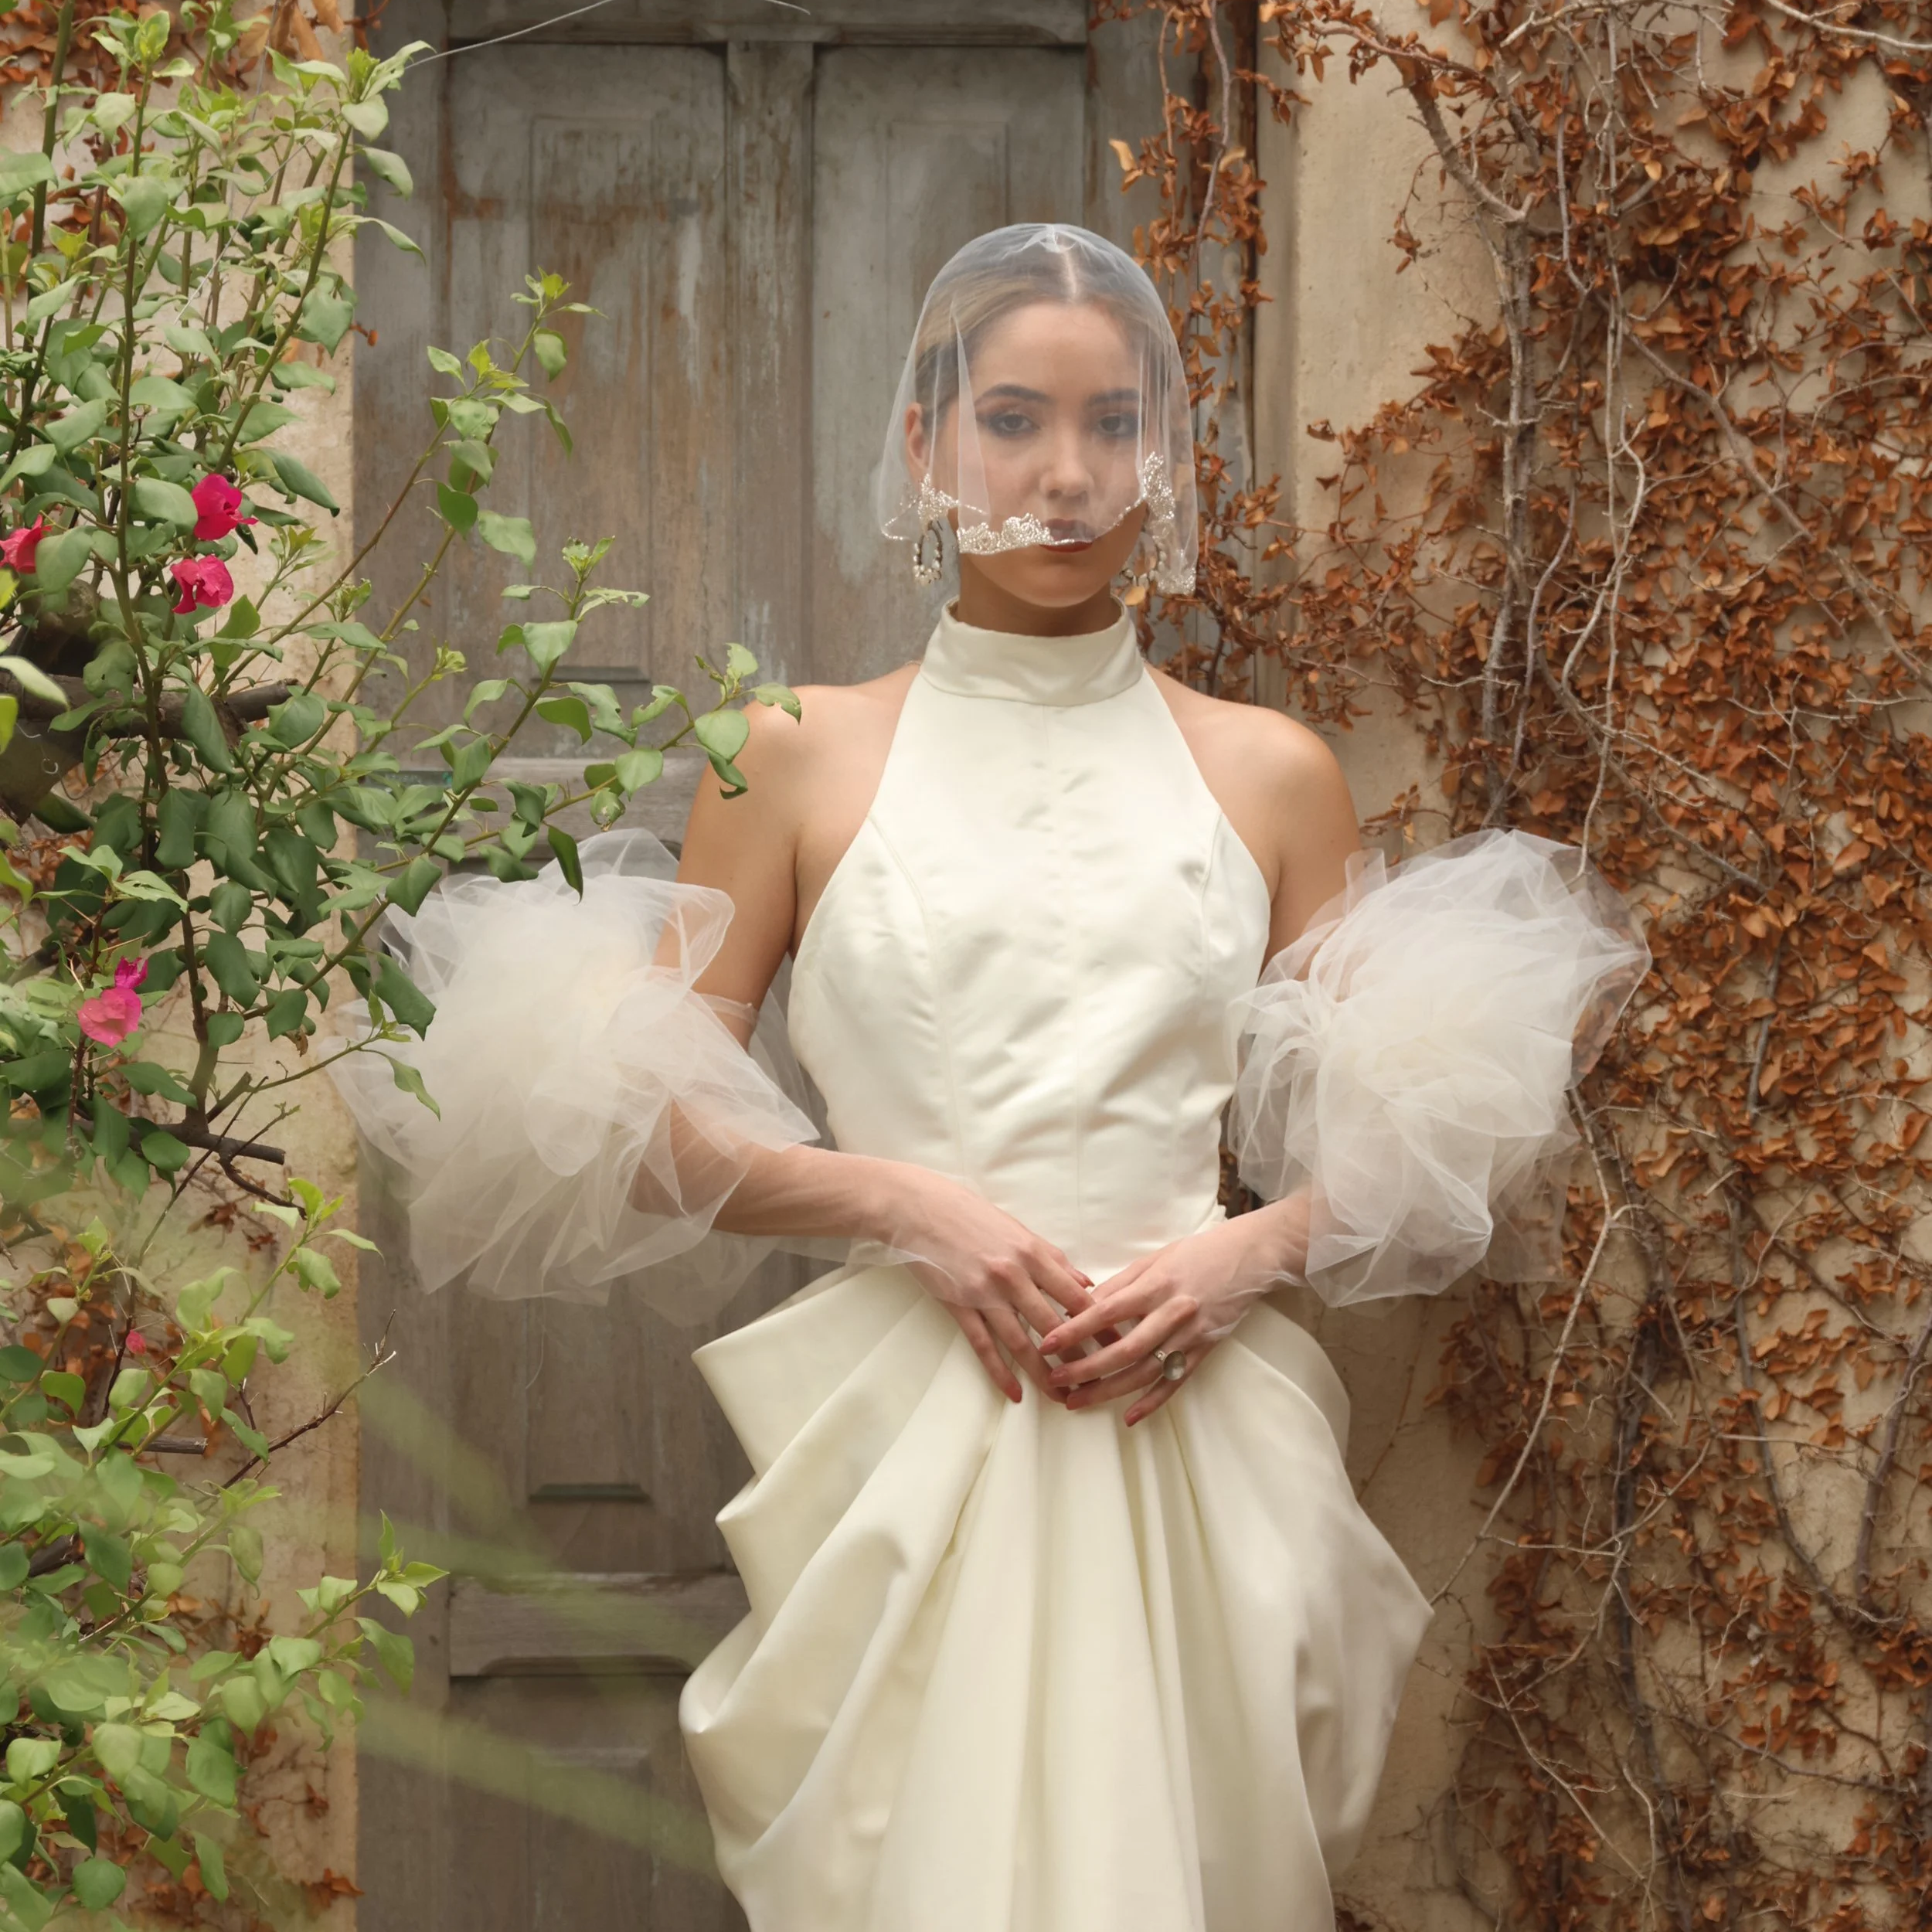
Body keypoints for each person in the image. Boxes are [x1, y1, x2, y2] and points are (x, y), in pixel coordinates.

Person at [332, 223, 1646, 1931]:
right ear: (923, 444)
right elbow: (630, 1123)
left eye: (1112, 425)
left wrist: (1235, 1253)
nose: (1065, 471)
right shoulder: (791, 750)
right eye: (1013, 417)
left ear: (1164, 458)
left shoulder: (1269, 772)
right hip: (911, 1451)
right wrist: (901, 1202)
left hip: (1194, 1437)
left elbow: (1403, 1149)